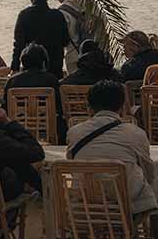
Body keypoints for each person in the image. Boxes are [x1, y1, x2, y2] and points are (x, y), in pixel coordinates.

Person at [66, 79, 157, 216]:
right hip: (126, 203)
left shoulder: (74, 132)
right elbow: (148, 172)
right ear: (122, 106)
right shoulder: (135, 133)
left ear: (89, 106)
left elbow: (73, 165)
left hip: (85, 199)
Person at [3, 43, 66, 142]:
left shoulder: (12, 81)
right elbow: (59, 108)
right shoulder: (51, 80)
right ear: (43, 62)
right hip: (47, 123)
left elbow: (5, 108)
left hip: (19, 126)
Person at [12, 0, 70, 78]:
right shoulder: (58, 15)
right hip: (55, 70)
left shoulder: (24, 15)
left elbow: (19, 44)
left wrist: (15, 67)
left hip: (31, 70)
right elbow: (65, 41)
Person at [51, 0, 87, 74]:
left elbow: (61, 38)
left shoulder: (62, 11)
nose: (58, 0)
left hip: (74, 55)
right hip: (95, 55)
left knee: (75, 87)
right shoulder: (88, 2)